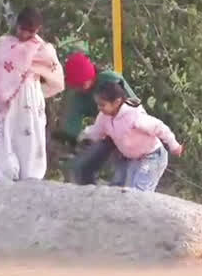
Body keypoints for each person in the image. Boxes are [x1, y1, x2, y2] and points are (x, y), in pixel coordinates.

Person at [0, 7, 65, 181]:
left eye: (30, 32)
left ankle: (31, 174)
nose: (24, 34)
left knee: (30, 133)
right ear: (17, 25)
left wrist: (39, 89)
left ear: (37, 30)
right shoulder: (3, 45)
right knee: (6, 131)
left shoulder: (43, 50)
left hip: (30, 97)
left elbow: (55, 76)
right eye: (22, 29)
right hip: (7, 98)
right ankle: (4, 171)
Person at [78, 80, 183, 192]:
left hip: (152, 157)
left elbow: (159, 127)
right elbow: (96, 131)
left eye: (102, 105)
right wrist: (82, 136)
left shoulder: (134, 116)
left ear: (117, 102)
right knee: (120, 189)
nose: (99, 108)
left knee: (139, 191)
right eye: (98, 104)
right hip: (131, 159)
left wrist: (174, 146)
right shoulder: (104, 117)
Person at [59, 51, 142, 185]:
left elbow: (134, 105)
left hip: (129, 130)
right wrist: (73, 142)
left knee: (124, 174)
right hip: (105, 133)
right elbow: (72, 124)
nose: (81, 87)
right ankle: (91, 197)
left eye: (83, 83)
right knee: (80, 169)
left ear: (91, 76)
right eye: (77, 85)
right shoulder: (78, 97)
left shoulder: (109, 80)